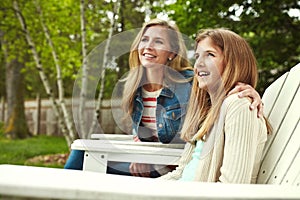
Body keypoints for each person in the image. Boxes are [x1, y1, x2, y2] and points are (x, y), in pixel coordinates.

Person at [64, 19, 263, 178]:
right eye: (144, 39)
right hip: (164, 165)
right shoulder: (134, 86)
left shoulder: (191, 83)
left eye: (158, 41)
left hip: (171, 163)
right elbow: (142, 134)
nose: (148, 46)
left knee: (83, 160)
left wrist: (249, 91)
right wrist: (140, 151)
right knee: (82, 155)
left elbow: (223, 96)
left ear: (172, 52)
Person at [159, 28, 272, 183]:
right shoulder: (207, 112)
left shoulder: (240, 106)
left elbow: (232, 188)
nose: (198, 63)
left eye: (210, 55)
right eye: (197, 56)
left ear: (234, 62)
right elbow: (181, 173)